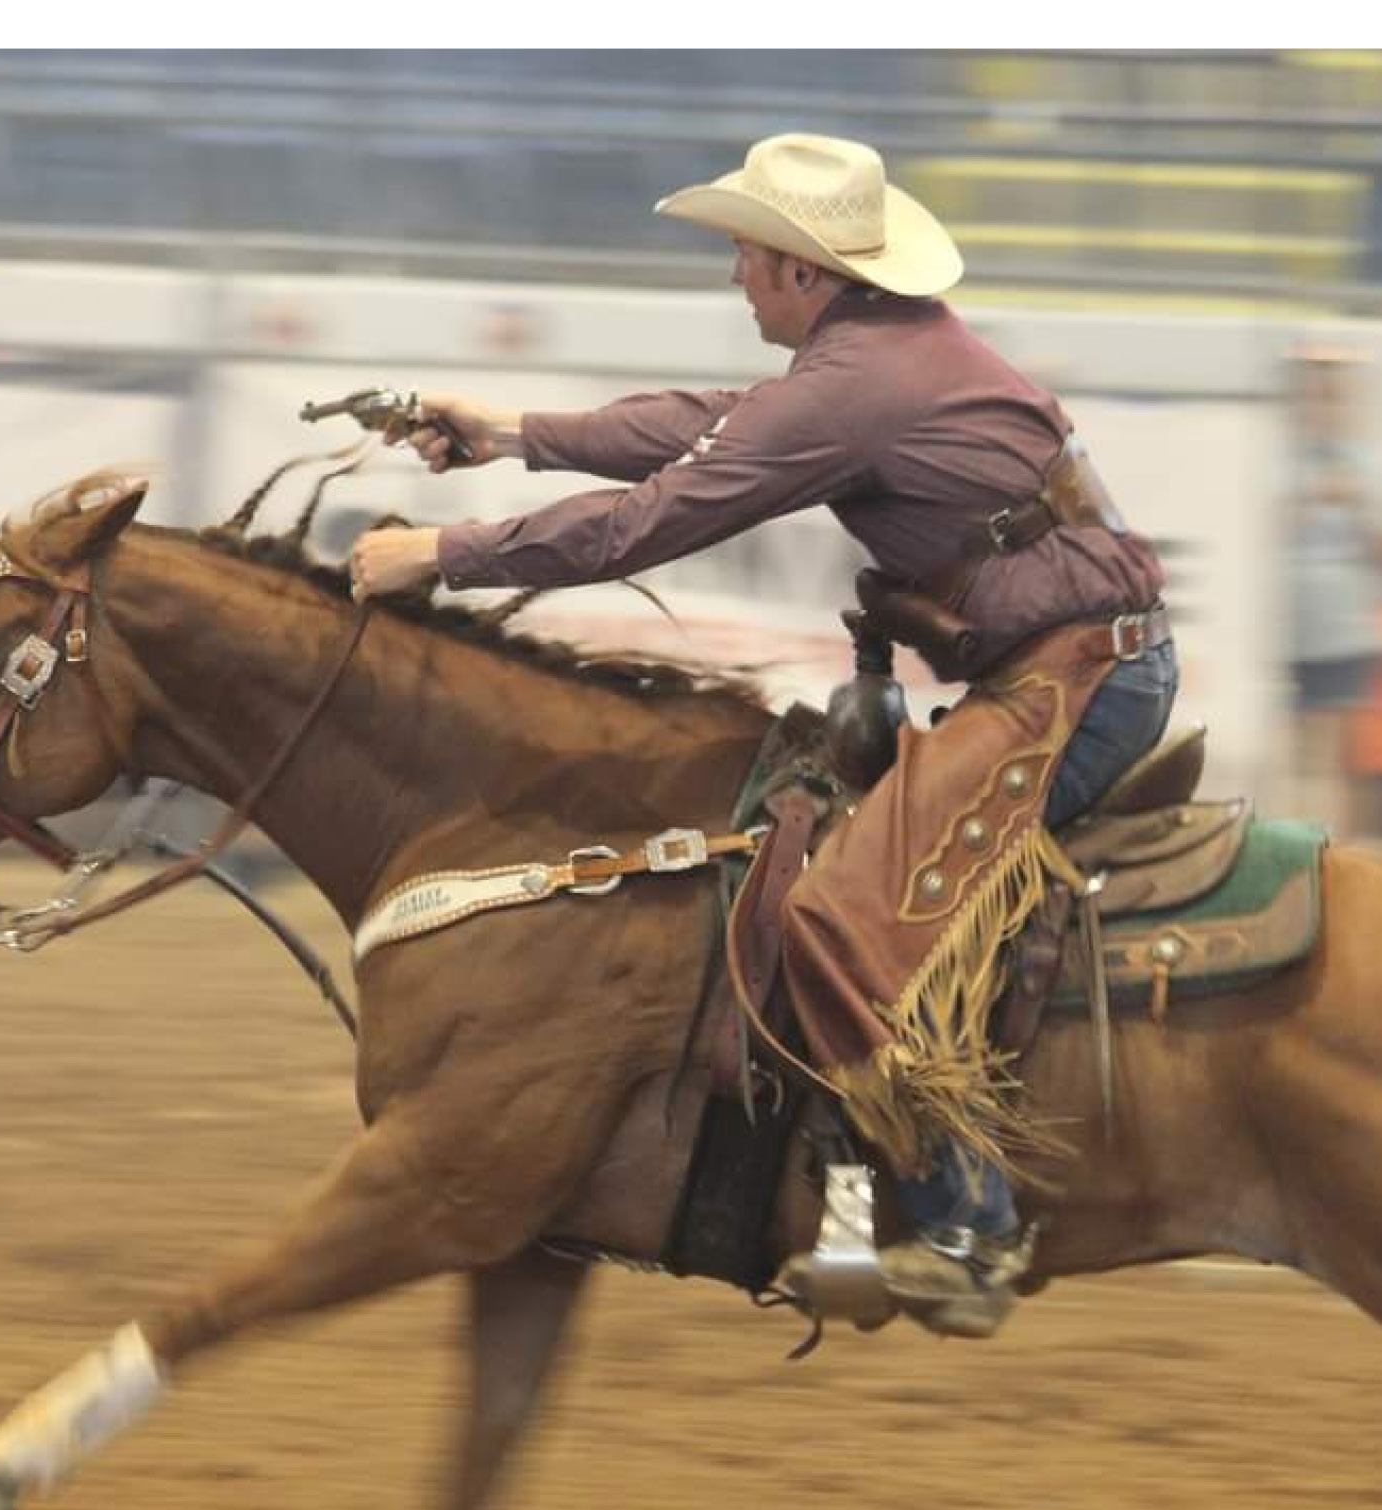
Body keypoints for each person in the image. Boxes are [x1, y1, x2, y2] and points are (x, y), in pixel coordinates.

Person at [348, 135, 1177, 1336]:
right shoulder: (874, 357)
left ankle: (969, 1218)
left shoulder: (856, 388)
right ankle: (868, 1202)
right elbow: (702, 423)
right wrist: (513, 429)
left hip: (1077, 684)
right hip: (1073, 665)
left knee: (841, 909)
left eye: (747, 250)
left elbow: (656, 517)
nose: (735, 271)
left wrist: (443, 555)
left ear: (804, 269)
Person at [1282, 346, 1382, 838]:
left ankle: (1332, 854)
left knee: (1339, 759)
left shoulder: (1366, 465)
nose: (1322, 403)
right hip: (1286, 631)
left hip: (1342, 633)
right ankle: (1296, 852)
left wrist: (1355, 503)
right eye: (1314, 392)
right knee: (1297, 756)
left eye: (1331, 393)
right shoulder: (1280, 461)